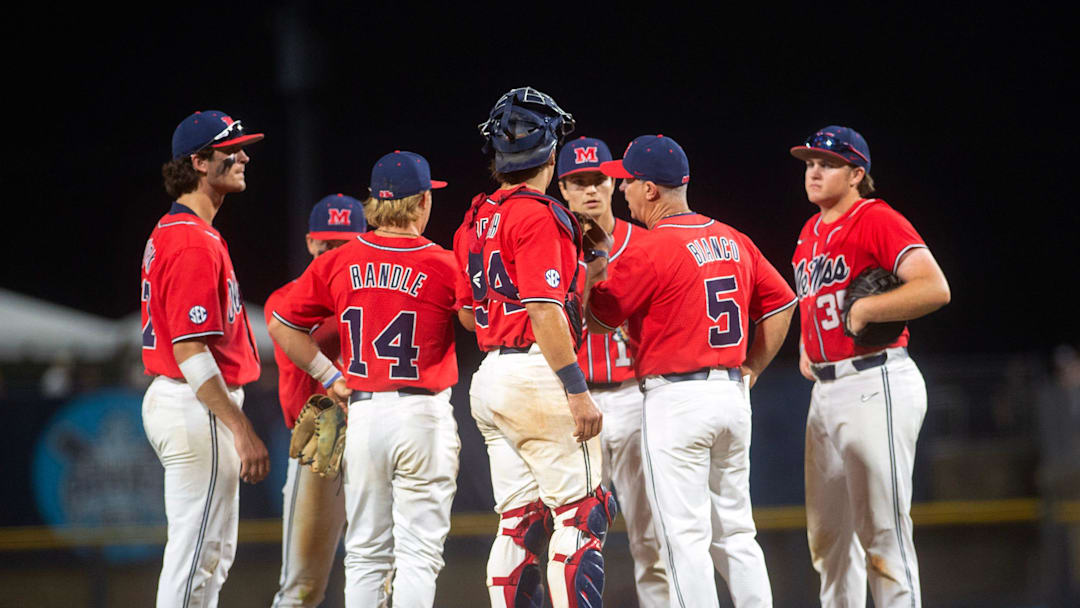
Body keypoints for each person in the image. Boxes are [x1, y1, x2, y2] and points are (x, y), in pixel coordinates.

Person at [587, 134, 797, 607]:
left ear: (651, 190)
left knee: (684, 540)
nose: (622, 191)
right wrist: (752, 370)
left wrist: (595, 265)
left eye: (629, 183)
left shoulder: (651, 247)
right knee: (738, 534)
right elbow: (783, 303)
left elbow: (600, 320)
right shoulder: (732, 237)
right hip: (729, 393)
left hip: (676, 400)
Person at [268, 151, 461, 608]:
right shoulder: (444, 262)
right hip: (421, 412)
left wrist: (330, 376)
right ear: (418, 205)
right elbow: (478, 322)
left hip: (365, 414)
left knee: (365, 554)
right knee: (417, 554)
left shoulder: (341, 261)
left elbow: (279, 322)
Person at [460, 86, 614, 608]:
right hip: (537, 373)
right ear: (551, 149)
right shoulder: (539, 214)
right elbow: (544, 309)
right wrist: (575, 389)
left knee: (519, 521)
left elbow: (467, 312)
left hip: (490, 376)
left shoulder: (476, 215)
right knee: (582, 513)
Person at [789, 125, 950, 607]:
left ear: (857, 173)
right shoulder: (809, 231)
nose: (813, 171)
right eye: (809, 163)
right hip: (827, 390)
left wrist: (866, 311)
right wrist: (808, 345)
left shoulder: (875, 218)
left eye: (827, 163)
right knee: (830, 543)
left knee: (883, 535)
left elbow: (934, 287)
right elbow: (813, 300)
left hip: (876, 380)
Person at [140, 109, 270, 608]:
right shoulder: (192, 240)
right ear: (198, 161)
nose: (243, 156)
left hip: (184, 399)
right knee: (197, 555)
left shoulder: (177, 229)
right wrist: (241, 428)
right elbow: (191, 351)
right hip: (196, 403)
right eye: (230, 149)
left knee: (208, 553)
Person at [556, 136, 668, 607]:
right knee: (575, 537)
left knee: (653, 536)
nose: (590, 191)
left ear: (614, 181)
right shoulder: (553, 249)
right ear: (562, 187)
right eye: (579, 182)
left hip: (636, 396)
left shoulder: (644, 243)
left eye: (599, 179)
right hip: (576, 404)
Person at [264, 193, 366, 607]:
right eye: (326, 244)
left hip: (374, 434)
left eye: (344, 245)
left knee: (378, 569)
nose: (333, 253)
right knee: (302, 587)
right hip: (318, 436)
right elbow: (293, 336)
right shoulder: (286, 301)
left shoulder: (376, 293)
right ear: (310, 244)